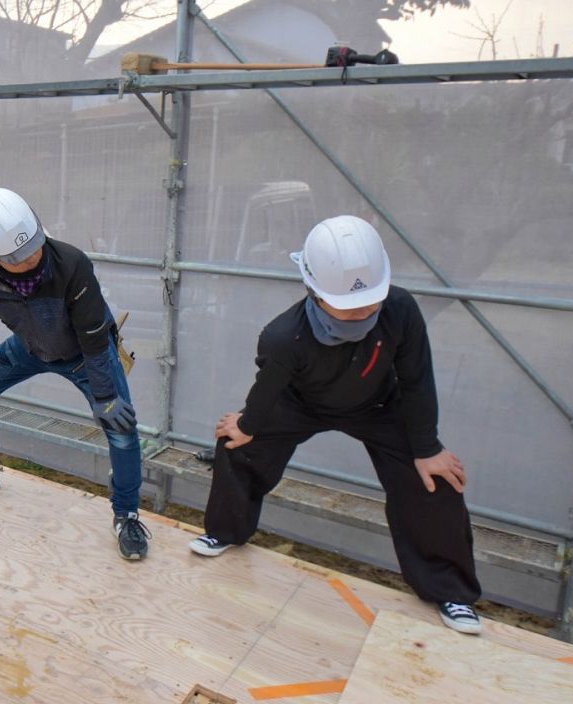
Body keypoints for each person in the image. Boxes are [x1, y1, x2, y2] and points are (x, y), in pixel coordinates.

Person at [190, 215, 482, 635]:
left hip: (378, 404)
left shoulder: (400, 310)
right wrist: (248, 424)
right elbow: (268, 386)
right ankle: (224, 532)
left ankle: (450, 592)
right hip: (301, 403)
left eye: (370, 301)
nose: (362, 311)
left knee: (435, 479)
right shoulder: (283, 336)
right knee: (236, 444)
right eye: (347, 305)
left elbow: (417, 379)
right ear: (313, 289)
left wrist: (427, 446)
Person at [0, 187, 150, 560]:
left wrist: (104, 397)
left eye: (35, 245)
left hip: (86, 354)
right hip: (30, 347)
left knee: (121, 427)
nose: (33, 256)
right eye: (19, 257)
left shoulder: (71, 263)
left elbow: (93, 335)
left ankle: (127, 514)